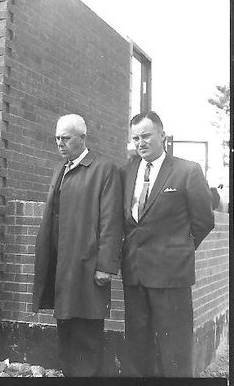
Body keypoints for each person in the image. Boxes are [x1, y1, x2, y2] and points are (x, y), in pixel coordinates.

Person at [120, 111, 214, 377]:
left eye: (146, 135)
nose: (141, 143)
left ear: (163, 135)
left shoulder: (187, 171)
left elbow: (203, 221)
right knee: (138, 349)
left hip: (172, 276)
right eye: (136, 138)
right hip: (135, 275)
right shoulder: (126, 172)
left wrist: (177, 251)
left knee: (174, 351)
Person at [32, 114, 123, 377]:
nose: (59, 143)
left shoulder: (103, 169)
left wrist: (106, 265)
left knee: (87, 338)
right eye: (57, 138)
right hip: (63, 267)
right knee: (67, 336)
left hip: (88, 267)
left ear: (83, 138)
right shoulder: (61, 169)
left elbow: (111, 220)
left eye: (66, 138)